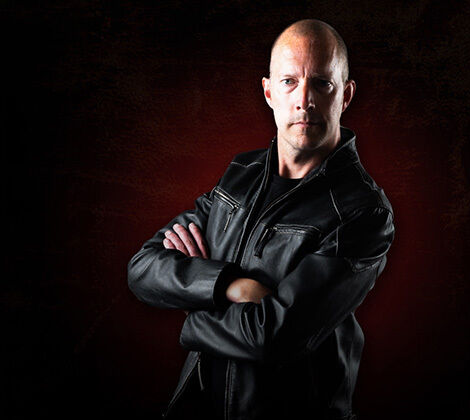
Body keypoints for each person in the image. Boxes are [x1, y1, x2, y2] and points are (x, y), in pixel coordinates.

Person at [127, 19, 395, 420]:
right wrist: (230, 286)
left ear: (345, 95)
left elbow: (273, 337)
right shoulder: (240, 175)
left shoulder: (363, 211)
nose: (304, 100)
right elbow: (143, 267)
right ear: (269, 92)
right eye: (289, 81)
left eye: (321, 83)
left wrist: (190, 304)